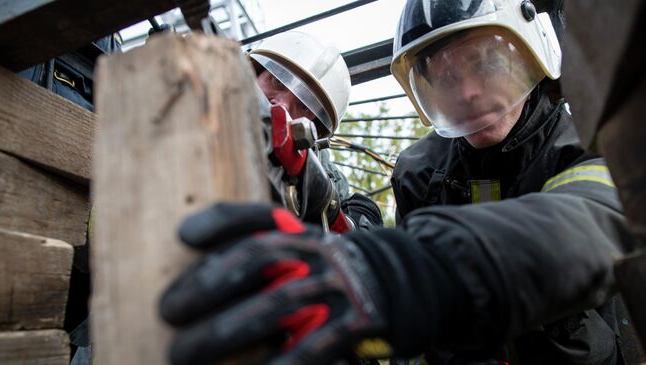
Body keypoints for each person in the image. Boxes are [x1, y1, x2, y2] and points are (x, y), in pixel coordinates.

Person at [159, 1, 633, 364]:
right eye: (444, 78)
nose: (466, 92)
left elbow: (596, 218)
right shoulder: (419, 169)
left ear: (530, 52)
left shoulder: (588, 144)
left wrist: (413, 269)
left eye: (484, 63)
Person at [249, 31, 382, 230]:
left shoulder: (325, 174)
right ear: (254, 73)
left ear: (315, 128)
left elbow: (363, 231)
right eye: (278, 81)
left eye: (304, 105)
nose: (283, 106)